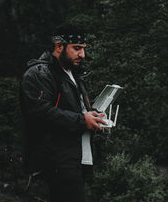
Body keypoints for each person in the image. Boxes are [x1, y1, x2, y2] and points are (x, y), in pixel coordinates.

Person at [20, 22, 106, 202]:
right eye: (77, 48)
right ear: (59, 46)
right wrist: (83, 120)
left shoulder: (74, 75)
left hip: (76, 162)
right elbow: (41, 113)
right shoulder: (39, 73)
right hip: (55, 164)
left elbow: (75, 111)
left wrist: (94, 116)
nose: (82, 54)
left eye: (83, 48)